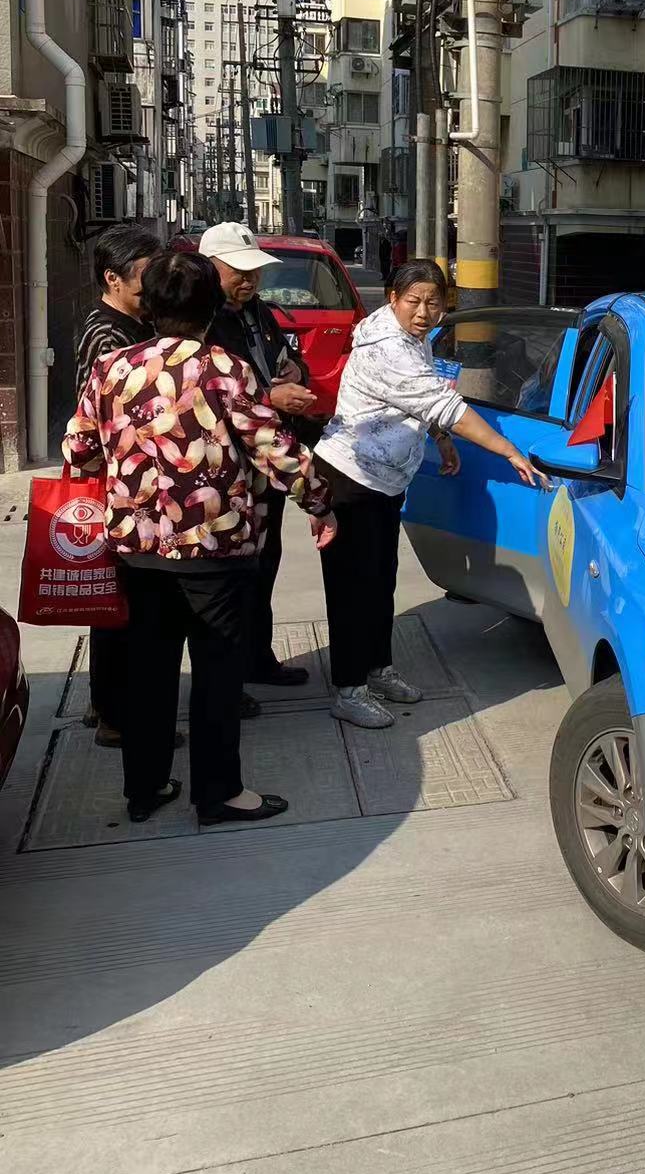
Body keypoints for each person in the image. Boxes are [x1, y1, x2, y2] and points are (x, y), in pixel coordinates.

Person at [63, 251, 337, 825]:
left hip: (138, 549)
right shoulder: (225, 369)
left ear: (151, 305)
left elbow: (78, 450)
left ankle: (145, 788)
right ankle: (218, 793)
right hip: (215, 547)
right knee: (216, 674)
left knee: (148, 672)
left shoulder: (112, 368)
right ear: (211, 307)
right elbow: (272, 448)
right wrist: (319, 502)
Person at [313, 260, 547, 729]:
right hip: (350, 477)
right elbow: (442, 403)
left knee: (380, 581)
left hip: (386, 478)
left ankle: (376, 669)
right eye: (413, 301)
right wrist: (507, 449)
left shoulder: (413, 337)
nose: (423, 312)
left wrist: (439, 438)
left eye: (433, 303)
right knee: (352, 589)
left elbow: (424, 400)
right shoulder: (386, 346)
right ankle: (349, 690)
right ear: (392, 299)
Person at [199, 222, 318, 697]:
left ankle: (257, 657)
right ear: (210, 268)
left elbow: (288, 359)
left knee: (265, 562)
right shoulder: (201, 321)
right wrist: (271, 395)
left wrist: (295, 375)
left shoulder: (258, 312)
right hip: (226, 467)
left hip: (268, 460)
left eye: (255, 271)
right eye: (238, 271)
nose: (249, 280)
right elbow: (210, 395)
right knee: (230, 575)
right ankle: (228, 680)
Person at [74, 222, 163, 749]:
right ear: (114, 278)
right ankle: (113, 714)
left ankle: (107, 702)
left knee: (121, 605)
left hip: (131, 489)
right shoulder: (108, 336)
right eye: (146, 275)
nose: (154, 286)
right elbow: (96, 426)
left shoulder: (134, 324)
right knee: (118, 608)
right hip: (120, 490)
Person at [378, 218, 395, 285]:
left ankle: (386, 277)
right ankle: (383, 276)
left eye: (381, 236)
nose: (380, 237)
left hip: (386, 257)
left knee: (386, 267)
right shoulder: (381, 242)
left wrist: (388, 256)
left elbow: (389, 249)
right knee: (382, 267)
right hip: (382, 257)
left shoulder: (386, 242)